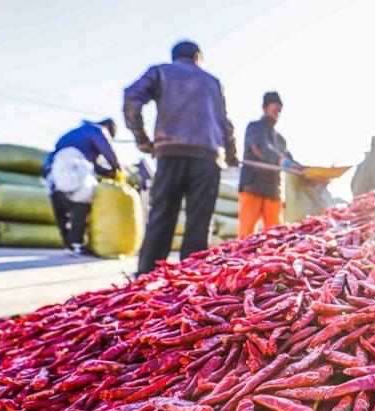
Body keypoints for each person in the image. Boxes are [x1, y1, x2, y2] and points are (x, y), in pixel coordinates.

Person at [124, 40, 238, 275]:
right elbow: (225, 123)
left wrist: (142, 139)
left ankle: (146, 276)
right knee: (199, 221)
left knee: (162, 215)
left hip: (171, 153)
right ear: (198, 57)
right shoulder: (213, 82)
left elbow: (131, 99)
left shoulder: (161, 71)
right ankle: (190, 279)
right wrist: (232, 155)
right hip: (207, 157)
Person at [43, 118, 120, 255]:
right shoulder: (97, 130)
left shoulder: (77, 134)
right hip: (73, 171)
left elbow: (94, 165)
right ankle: (76, 244)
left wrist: (107, 172)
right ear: (107, 127)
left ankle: (69, 245)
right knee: (81, 205)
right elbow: (108, 149)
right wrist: (117, 168)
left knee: (61, 206)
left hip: (53, 172)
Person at [238, 91, 299, 237]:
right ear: (265, 108)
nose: (277, 114)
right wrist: (279, 159)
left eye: (279, 111)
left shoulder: (280, 140)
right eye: (275, 109)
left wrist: (305, 170)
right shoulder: (254, 128)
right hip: (252, 187)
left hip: (273, 191)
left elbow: (289, 160)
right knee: (245, 236)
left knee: (276, 237)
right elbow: (259, 147)